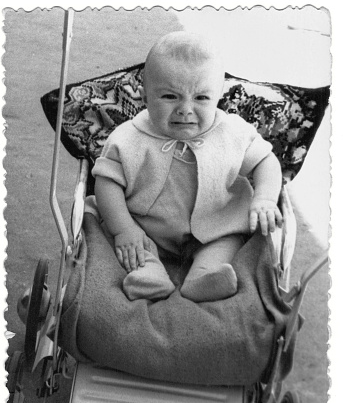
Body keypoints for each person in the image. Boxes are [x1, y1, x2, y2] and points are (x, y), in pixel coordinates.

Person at [92, 31, 283, 302]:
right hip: (148, 229)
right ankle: (149, 272)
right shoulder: (128, 138)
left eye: (201, 98)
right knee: (128, 242)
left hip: (216, 225)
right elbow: (106, 182)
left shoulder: (232, 132)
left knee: (225, 244)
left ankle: (205, 275)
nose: (185, 109)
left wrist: (264, 198)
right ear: (145, 95)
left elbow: (266, 161)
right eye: (170, 96)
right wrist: (125, 229)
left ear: (219, 95)